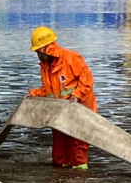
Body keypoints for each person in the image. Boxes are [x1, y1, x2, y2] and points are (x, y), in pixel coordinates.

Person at [26, 26, 96, 170]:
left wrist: (76, 96)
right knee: (59, 151)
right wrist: (34, 94)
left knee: (78, 147)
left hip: (80, 112)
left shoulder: (72, 58)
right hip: (60, 114)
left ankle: (79, 181)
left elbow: (87, 82)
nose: (37, 54)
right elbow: (49, 90)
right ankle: (60, 178)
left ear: (48, 48)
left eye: (39, 51)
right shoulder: (46, 66)